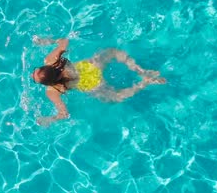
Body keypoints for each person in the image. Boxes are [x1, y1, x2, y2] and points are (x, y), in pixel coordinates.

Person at [31, 36, 166, 126]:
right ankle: (141, 71)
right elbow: (64, 41)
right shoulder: (51, 60)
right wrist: (49, 41)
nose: (32, 74)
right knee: (112, 52)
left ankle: (145, 82)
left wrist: (49, 120)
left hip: (92, 85)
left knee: (117, 97)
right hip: (91, 66)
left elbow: (64, 114)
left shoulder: (52, 91)